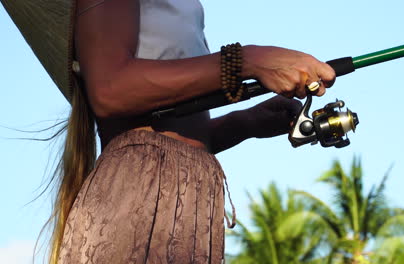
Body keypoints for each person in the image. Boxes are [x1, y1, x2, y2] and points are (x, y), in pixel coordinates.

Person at [34, 0, 335, 263]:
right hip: (136, 197)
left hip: (190, 200)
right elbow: (110, 90)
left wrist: (244, 123)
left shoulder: (188, 6)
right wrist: (246, 61)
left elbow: (170, 133)